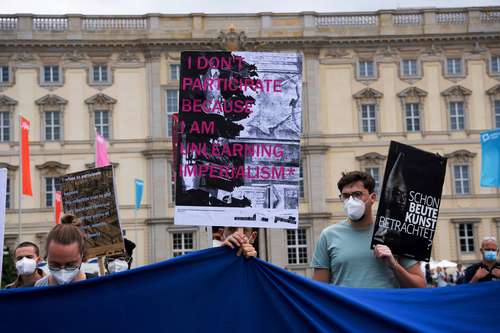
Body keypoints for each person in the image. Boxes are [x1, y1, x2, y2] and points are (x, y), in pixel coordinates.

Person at [311, 171, 425, 288]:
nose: (351, 201)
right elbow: (319, 290)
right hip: (345, 306)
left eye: (357, 194)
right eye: (345, 196)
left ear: (372, 198)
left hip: (382, 306)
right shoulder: (328, 235)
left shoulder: (395, 232)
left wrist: (394, 265)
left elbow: (420, 286)